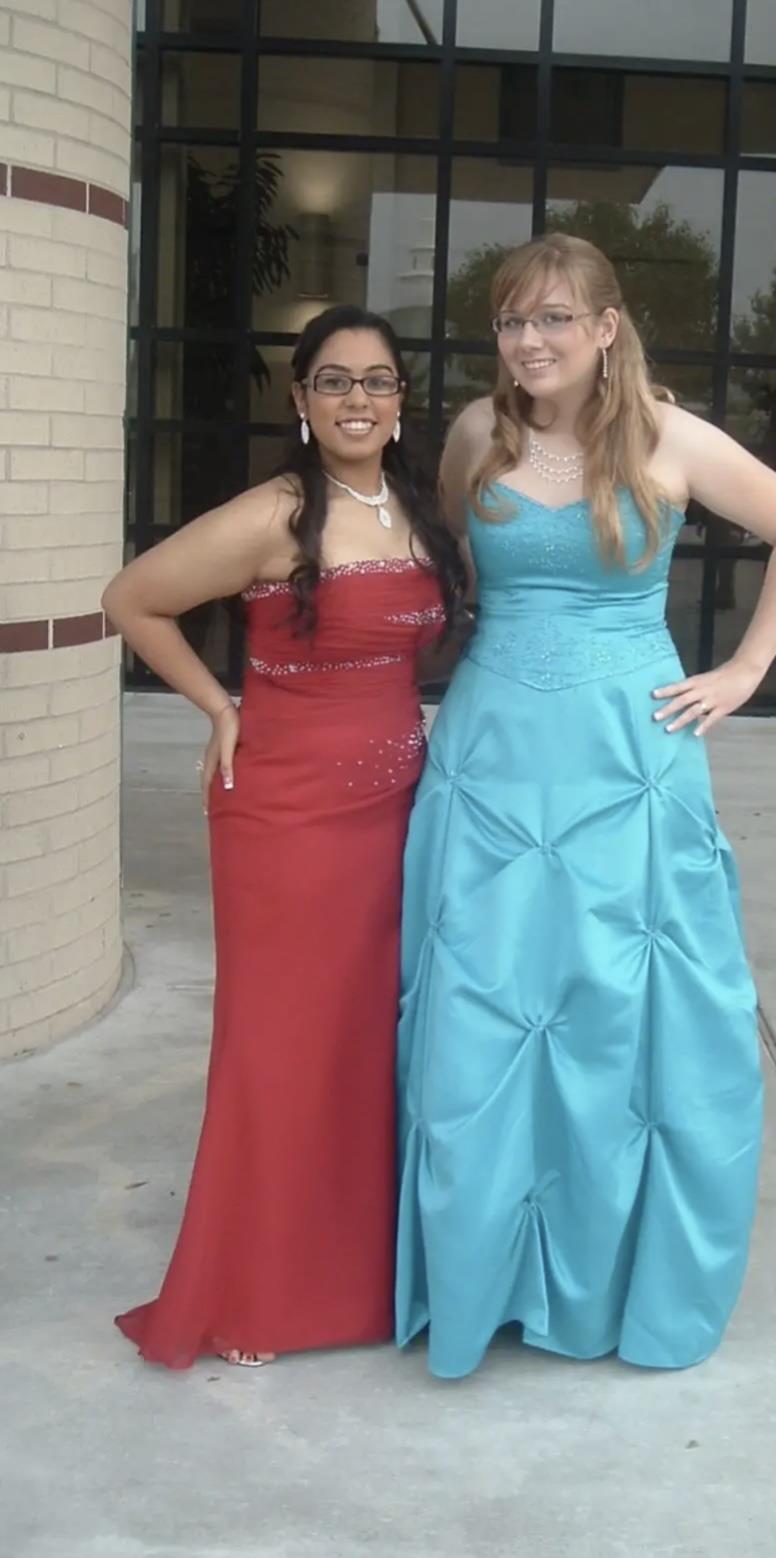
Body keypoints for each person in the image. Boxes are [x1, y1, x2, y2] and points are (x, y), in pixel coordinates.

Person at [395, 234, 776, 1380]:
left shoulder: (670, 440)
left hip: (628, 759)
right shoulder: (474, 438)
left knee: (615, 1006)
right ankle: (484, 1272)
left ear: (604, 328)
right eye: (508, 322)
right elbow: (467, 576)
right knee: (488, 1002)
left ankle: (606, 1272)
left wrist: (741, 672)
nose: (527, 342)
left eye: (550, 319)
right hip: (493, 750)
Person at [105, 305, 464, 1368]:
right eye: (336, 381)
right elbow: (132, 599)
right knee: (277, 1049)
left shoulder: (413, 508)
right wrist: (219, 706)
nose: (360, 399)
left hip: (393, 814)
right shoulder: (274, 513)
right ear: (301, 402)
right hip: (286, 820)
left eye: (380, 381)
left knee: (362, 1049)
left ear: (401, 403)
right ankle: (252, 1291)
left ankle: (351, 1284)